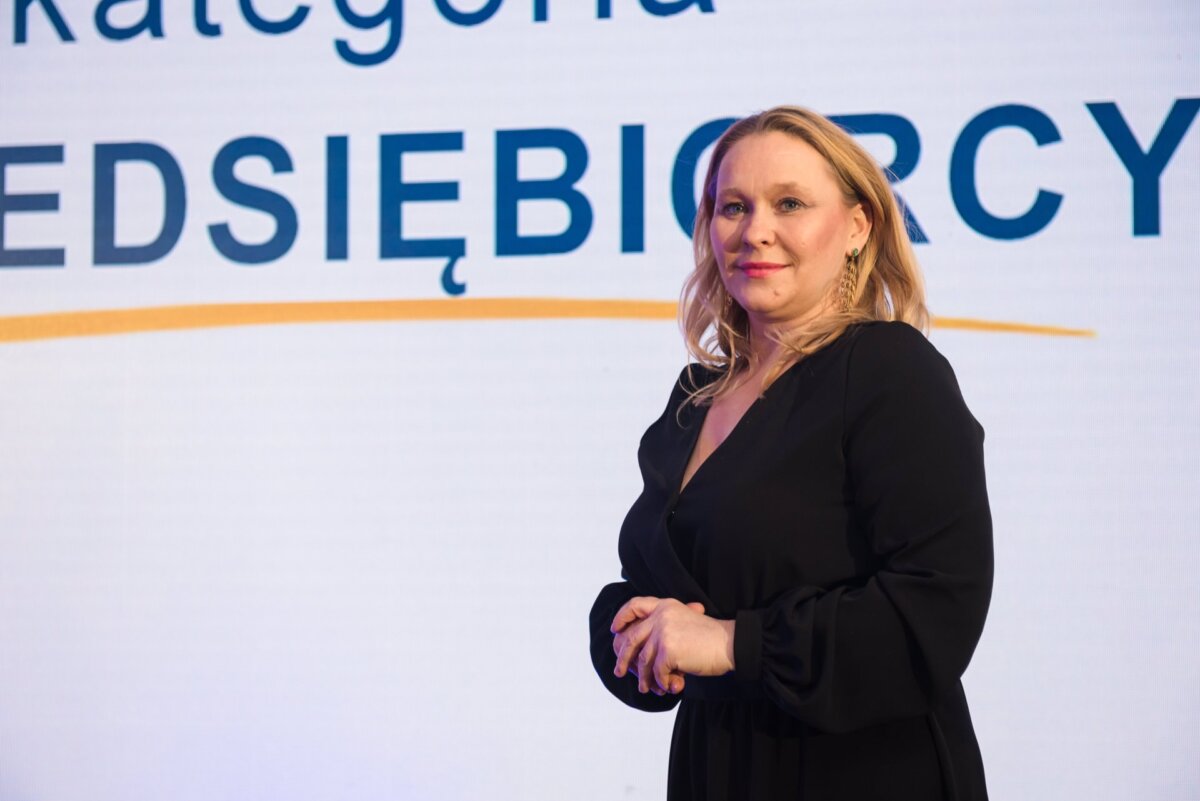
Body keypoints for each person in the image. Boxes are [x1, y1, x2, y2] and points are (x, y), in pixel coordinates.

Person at [588, 106, 993, 800]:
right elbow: (669, 582)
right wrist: (630, 628)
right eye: (732, 207)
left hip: (862, 771)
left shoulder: (889, 372)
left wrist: (728, 643)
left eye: (790, 204)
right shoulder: (694, 396)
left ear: (858, 226)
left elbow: (934, 610)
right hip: (719, 766)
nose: (755, 231)